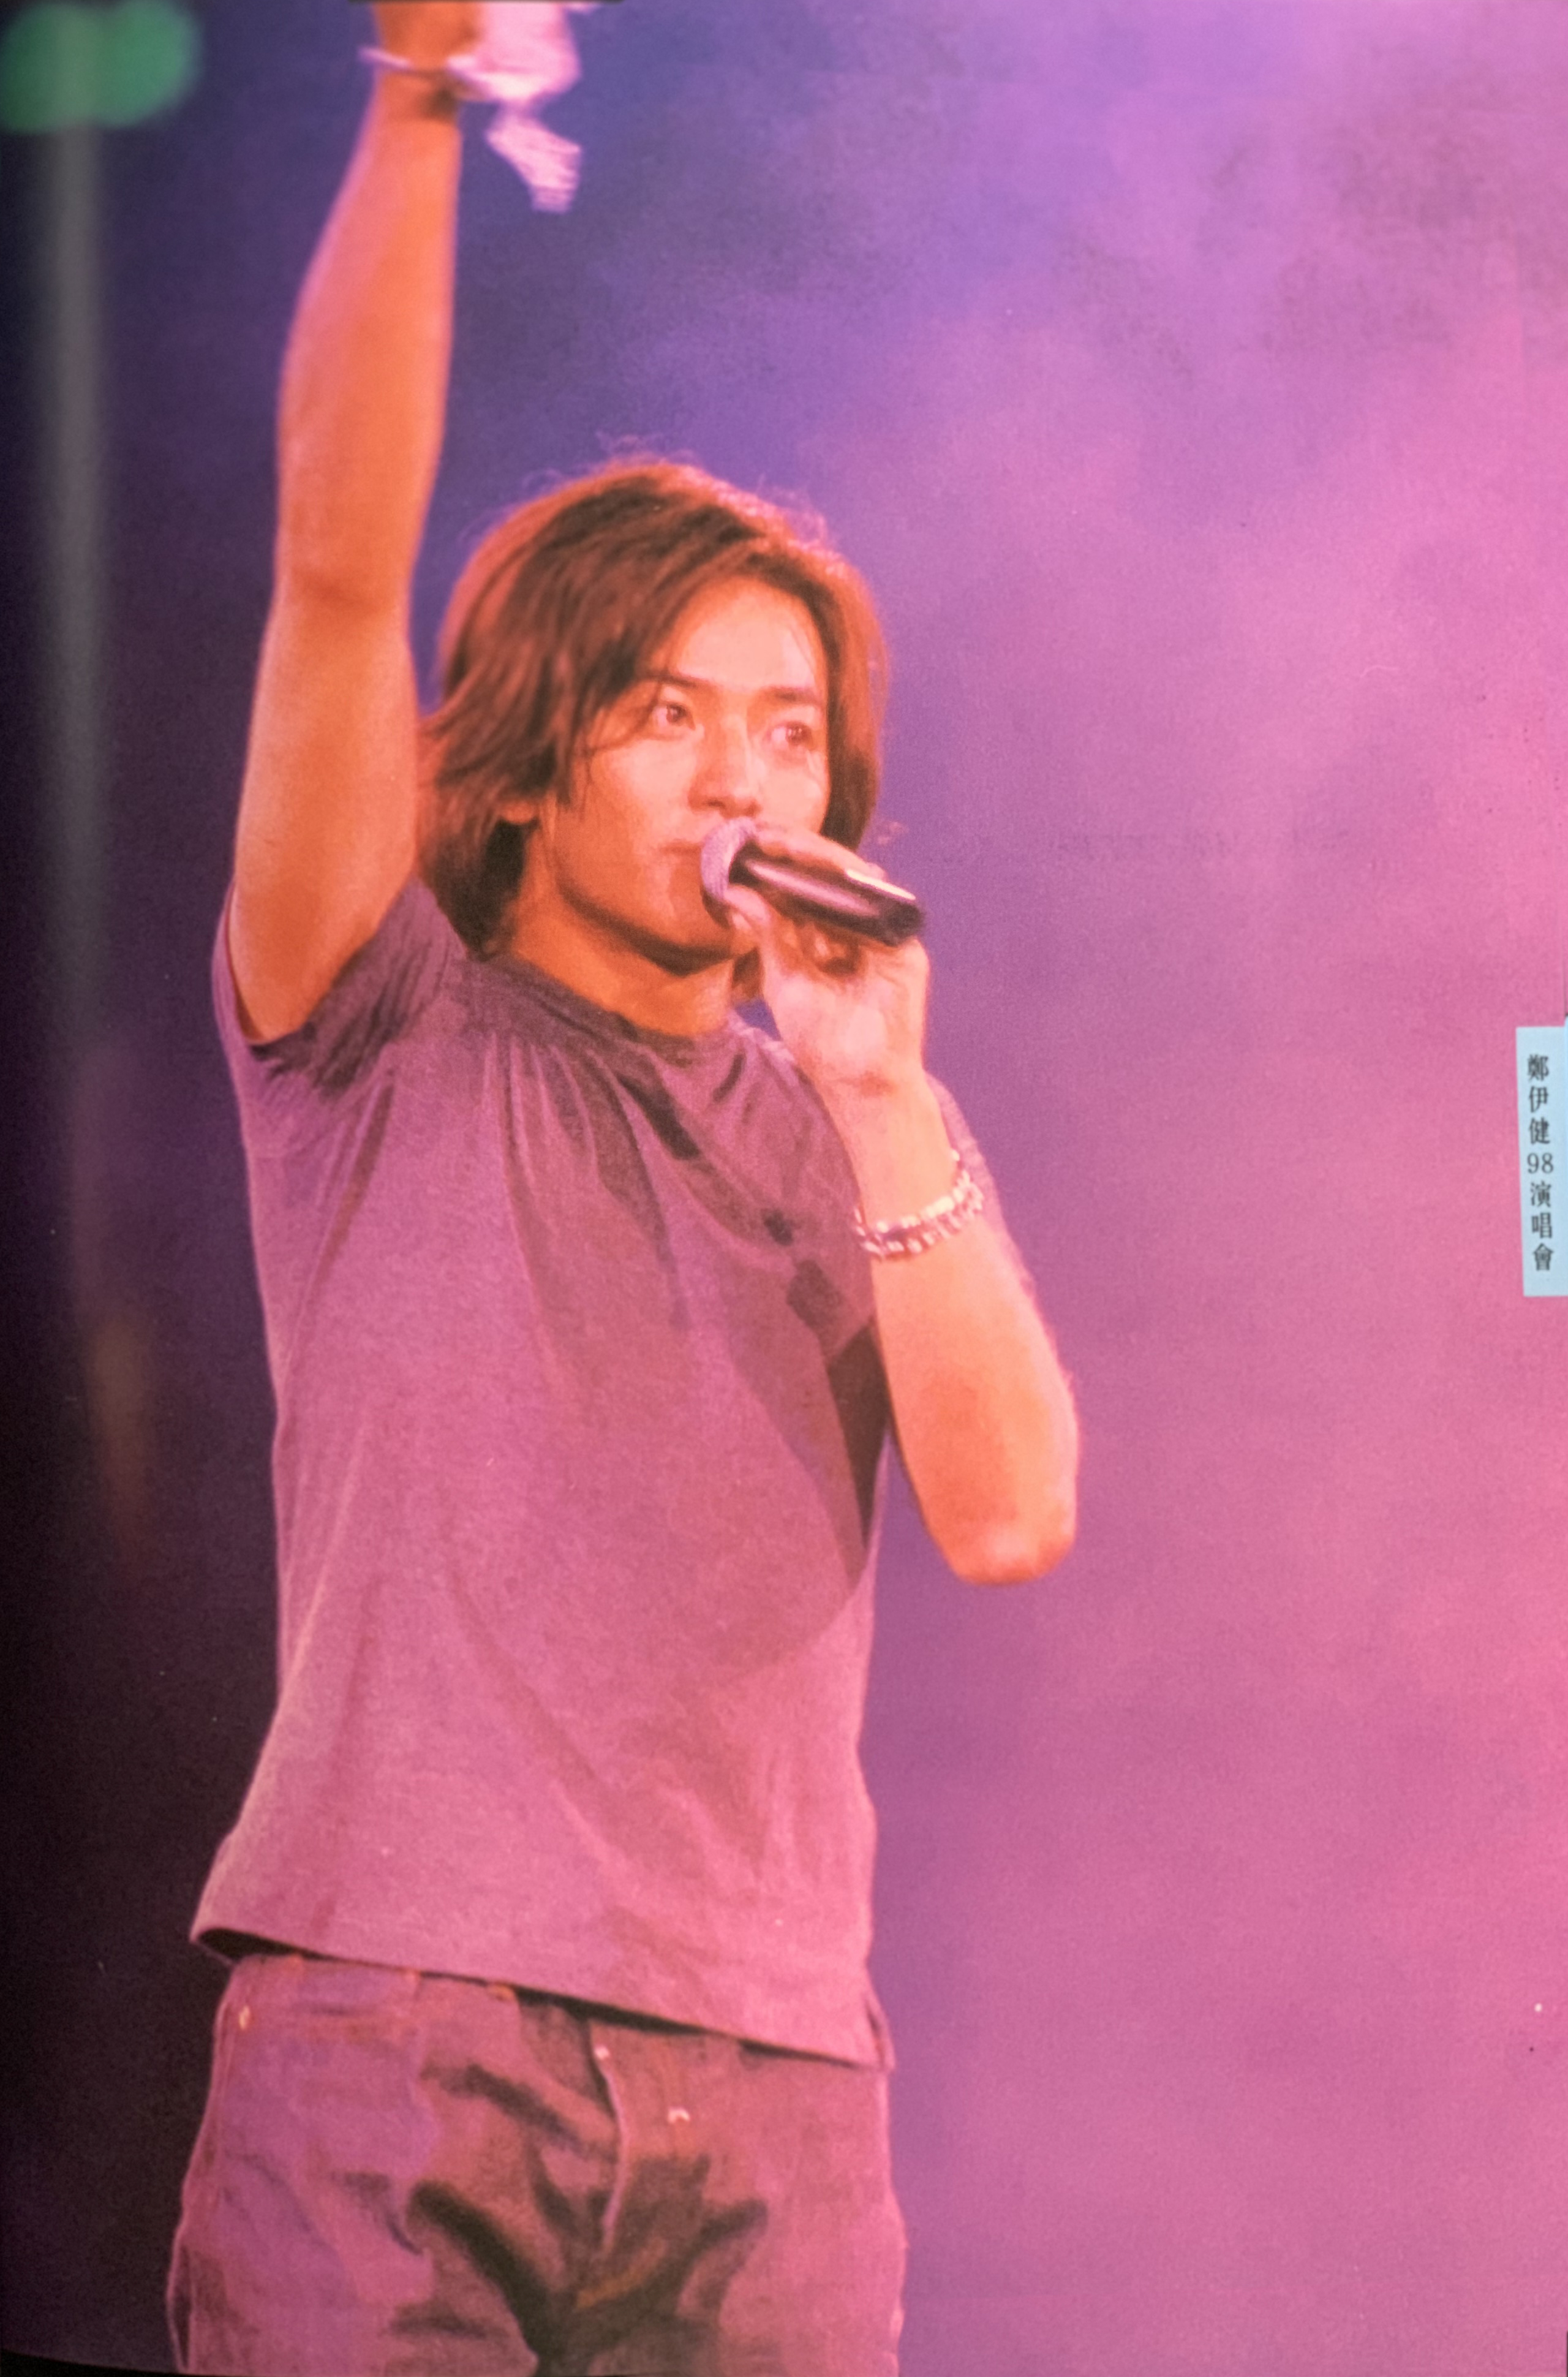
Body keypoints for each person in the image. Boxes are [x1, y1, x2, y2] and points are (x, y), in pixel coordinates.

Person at [167, 6, 1079, 2371]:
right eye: (670, 713)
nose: (741, 777)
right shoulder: (379, 1017)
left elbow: (1011, 1516)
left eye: (788, 728)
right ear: (527, 768)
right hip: (401, 2048)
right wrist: (422, 102)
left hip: (776, 2100)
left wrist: (885, 1092)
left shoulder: (852, 1128)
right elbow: (337, 574)